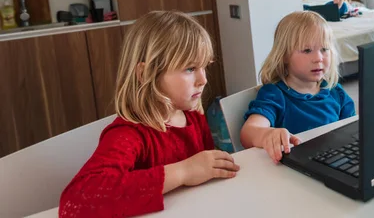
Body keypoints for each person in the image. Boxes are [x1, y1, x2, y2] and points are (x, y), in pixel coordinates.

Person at [59, 11, 240, 217]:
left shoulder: (193, 118)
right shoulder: (128, 134)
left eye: (204, 67)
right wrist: (183, 171)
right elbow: (76, 201)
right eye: (190, 68)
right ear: (145, 74)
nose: (203, 80)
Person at [240, 11, 356, 164]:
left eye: (324, 49)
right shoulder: (275, 94)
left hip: (334, 163)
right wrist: (267, 135)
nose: (318, 58)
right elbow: (248, 132)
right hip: (292, 174)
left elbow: (353, 131)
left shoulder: (336, 92)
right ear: (285, 56)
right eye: (307, 50)